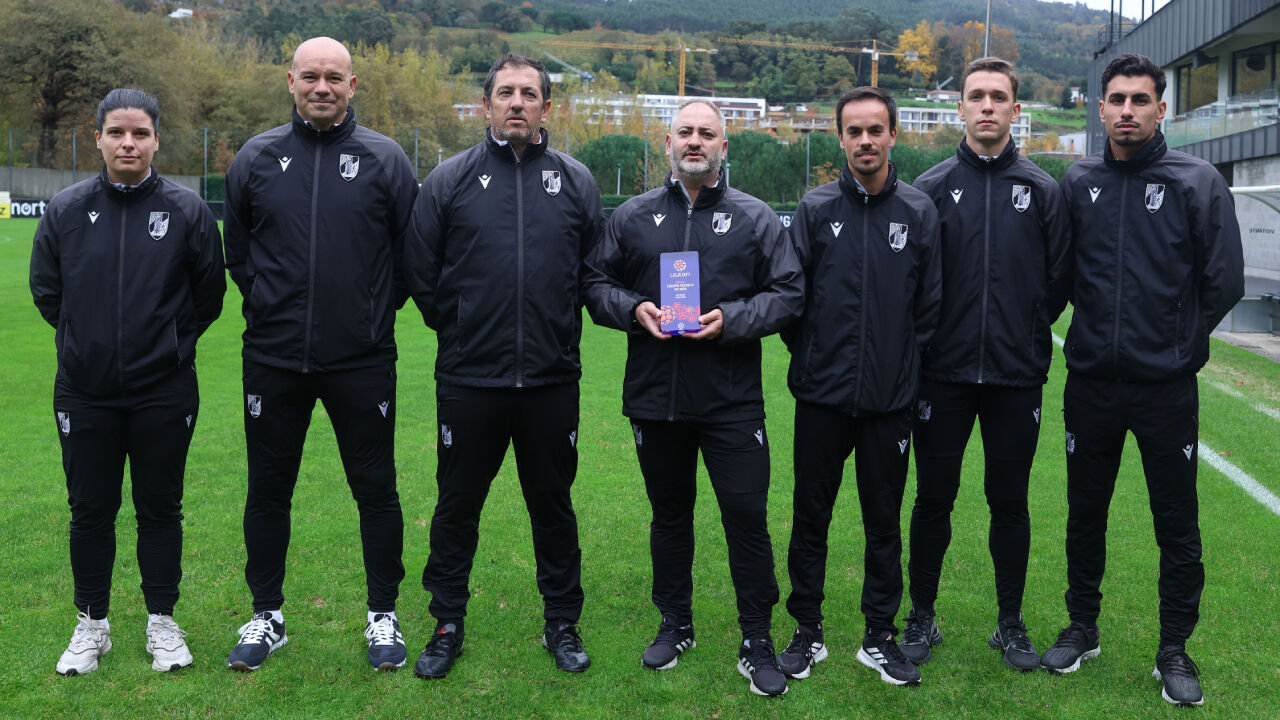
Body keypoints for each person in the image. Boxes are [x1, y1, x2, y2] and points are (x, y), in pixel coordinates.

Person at [1041, 53, 1243, 707]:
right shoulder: (1078, 182)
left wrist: (1179, 346)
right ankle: (1082, 627)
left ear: (1162, 108)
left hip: (1165, 389)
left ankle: (1174, 650)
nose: (1127, 110)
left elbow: (1224, 281)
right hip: (1092, 384)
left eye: (1140, 99)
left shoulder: (1197, 181)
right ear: (1100, 108)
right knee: (1085, 513)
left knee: (1176, 522)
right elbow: (1057, 277)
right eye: (1117, 99)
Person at [582, 99, 804, 697]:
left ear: (723, 147)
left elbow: (789, 293)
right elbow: (594, 283)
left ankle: (756, 637)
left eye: (708, 133)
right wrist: (634, 309)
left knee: (746, 519)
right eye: (685, 132)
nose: (695, 142)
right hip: (655, 399)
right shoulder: (633, 216)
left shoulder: (755, 217)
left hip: (732, 402)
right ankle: (675, 622)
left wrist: (730, 319)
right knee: (670, 516)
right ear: (668, 143)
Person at [222, 36, 419, 672]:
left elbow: (408, 258)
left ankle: (383, 614)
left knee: (376, 490)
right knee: (267, 490)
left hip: (362, 360)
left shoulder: (385, 159)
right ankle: (267, 614)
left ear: (352, 85)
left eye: (335, 77)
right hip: (273, 358)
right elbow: (238, 255)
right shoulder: (255, 157)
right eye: (311, 76)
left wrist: (368, 315)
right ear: (291, 81)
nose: (322, 87)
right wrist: (273, 308)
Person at [404, 53, 602, 679]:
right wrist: (460, 325)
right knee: (457, 506)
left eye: (529, 94)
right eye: (506, 93)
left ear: (547, 107)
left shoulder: (575, 181)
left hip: (551, 379)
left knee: (553, 506)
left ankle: (562, 622)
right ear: (486, 104)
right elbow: (421, 269)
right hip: (470, 381)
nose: (517, 103)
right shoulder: (450, 179)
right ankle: (446, 624)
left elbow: (592, 271)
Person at [30, 88, 226, 675]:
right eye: (116, 132)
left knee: (160, 508)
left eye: (140, 133)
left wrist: (167, 345)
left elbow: (208, 296)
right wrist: (85, 342)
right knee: (89, 510)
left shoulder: (187, 210)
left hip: (163, 390)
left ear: (156, 140)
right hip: (84, 390)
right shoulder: (66, 210)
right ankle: (92, 624)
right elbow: (47, 292)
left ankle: (162, 622)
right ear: (98, 139)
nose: (128, 143)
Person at [901, 57, 1071, 671]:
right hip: (941, 375)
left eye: (999, 96)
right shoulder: (929, 187)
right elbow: (913, 281)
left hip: (1014, 377)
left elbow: (1058, 282)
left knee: (1010, 502)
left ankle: (1010, 622)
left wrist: (1023, 333)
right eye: (977, 96)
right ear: (961, 108)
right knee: (933, 499)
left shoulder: (1043, 190)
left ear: (1015, 110)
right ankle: (922, 614)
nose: (988, 106)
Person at [776, 87, 940, 687]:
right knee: (810, 517)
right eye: (854, 131)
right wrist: (816, 362)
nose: (865, 141)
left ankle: (879, 636)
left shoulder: (918, 211)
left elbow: (929, 309)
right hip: (821, 399)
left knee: (883, 523)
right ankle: (807, 631)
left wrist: (896, 368)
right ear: (840, 138)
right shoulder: (815, 208)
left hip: (889, 404)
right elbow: (792, 302)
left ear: (893, 134)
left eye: (876, 130)